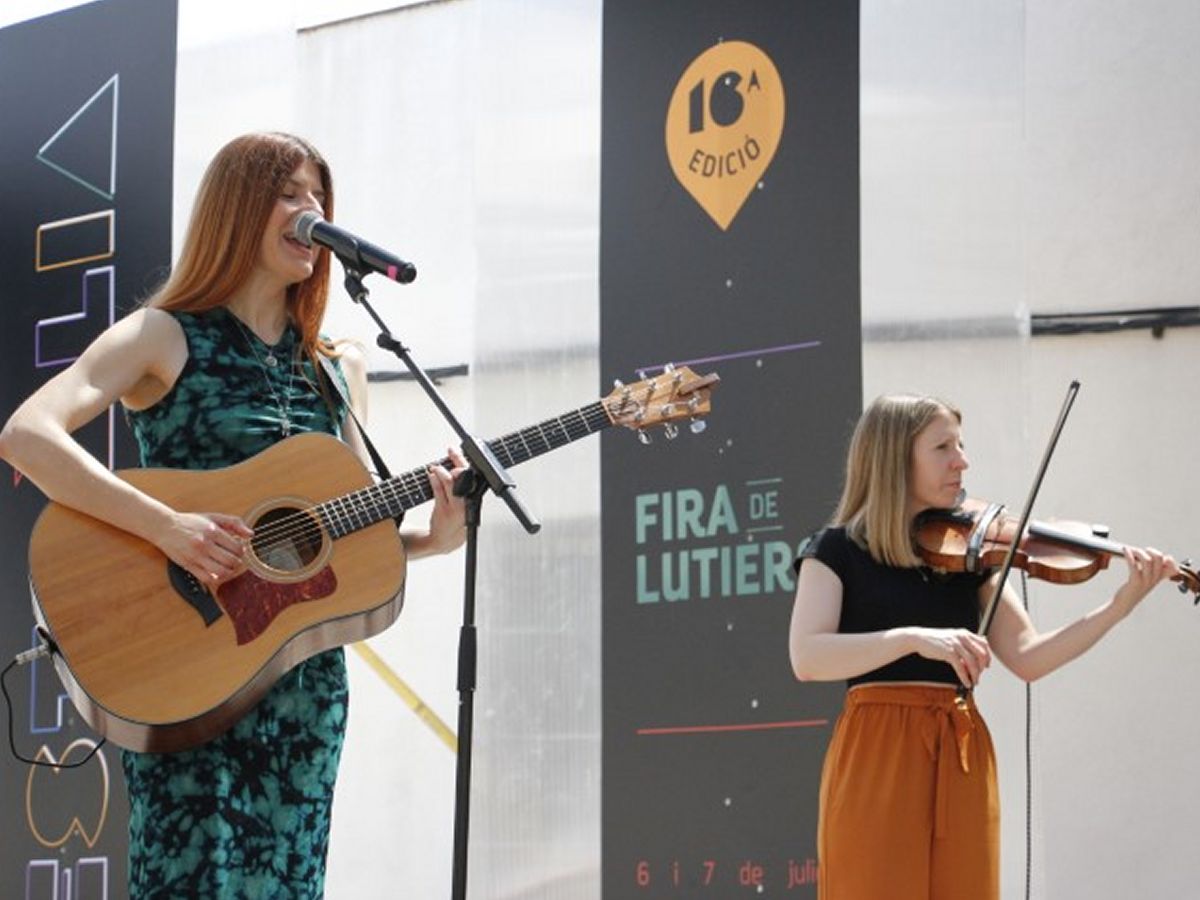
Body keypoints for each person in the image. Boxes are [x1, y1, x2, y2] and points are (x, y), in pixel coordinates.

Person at [0, 132, 468, 897]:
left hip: (303, 694)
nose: (310, 210)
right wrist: (167, 527)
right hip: (187, 673)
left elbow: (336, 542)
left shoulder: (339, 369)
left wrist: (430, 541)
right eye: (289, 193)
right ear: (236, 209)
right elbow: (27, 435)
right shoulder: (164, 336)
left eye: (319, 196)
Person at [788, 393, 1178, 900]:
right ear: (893, 457)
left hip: (959, 743)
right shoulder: (836, 549)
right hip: (879, 747)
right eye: (943, 447)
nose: (962, 461)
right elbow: (807, 656)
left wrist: (1119, 605)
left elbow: (1029, 657)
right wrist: (914, 639)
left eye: (962, 444)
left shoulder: (971, 554)